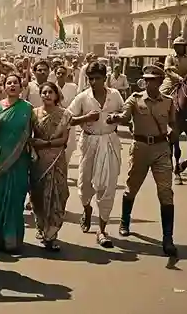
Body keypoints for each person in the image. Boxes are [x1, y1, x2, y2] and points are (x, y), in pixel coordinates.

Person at [106, 64, 179, 257]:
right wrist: (115, 118)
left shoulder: (168, 101)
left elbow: (172, 123)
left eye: (153, 80)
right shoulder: (135, 99)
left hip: (161, 149)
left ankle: (168, 238)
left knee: (166, 192)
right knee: (132, 187)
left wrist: (173, 132)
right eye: (146, 80)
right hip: (140, 148)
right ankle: (124, 220)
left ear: (160, 81)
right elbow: (124, 116)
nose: (149, 83)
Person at [67, 62, 124, 247]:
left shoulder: (115, 95)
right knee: (84, 185)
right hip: (89, 143)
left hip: (109, 142)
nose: (93, 82)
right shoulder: (83, 97)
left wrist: (116, 117)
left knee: (107, 186)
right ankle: (87, 208)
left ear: (104, 78)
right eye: (90, 78)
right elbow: (67, 119)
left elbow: (125, 113)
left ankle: (102, 229)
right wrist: (85, 118)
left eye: (97, 78)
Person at [0, 73, 32, 252]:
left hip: (19, 160)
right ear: (3, 86)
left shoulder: (27, 108)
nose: (12, 85)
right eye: (9, 83)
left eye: (16, 83)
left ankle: (12, 239)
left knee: (15, 199)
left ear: (21, 87)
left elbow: (30, 134)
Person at [29, 82, 70, 251]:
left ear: (56, 95)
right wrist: (35, 146)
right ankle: (41, 227)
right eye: (44, 92)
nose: (47, 95)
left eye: (50, 92)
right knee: (38, 195)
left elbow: (64, 140)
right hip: (38, 160)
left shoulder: (65, 114)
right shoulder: (33, 114)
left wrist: (45, 143)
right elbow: (30, 137)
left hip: (56, 159)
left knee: (58, 195)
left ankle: (52, 234)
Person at [53, 65, 79, 163]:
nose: (60, 75)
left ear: (66, 75)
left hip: (69, 120)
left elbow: (77, 103)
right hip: (55, 120)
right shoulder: (51, 87)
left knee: (69, 147)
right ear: (55, 74)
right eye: (58, 73)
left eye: (63, 73)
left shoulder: (73, 87)